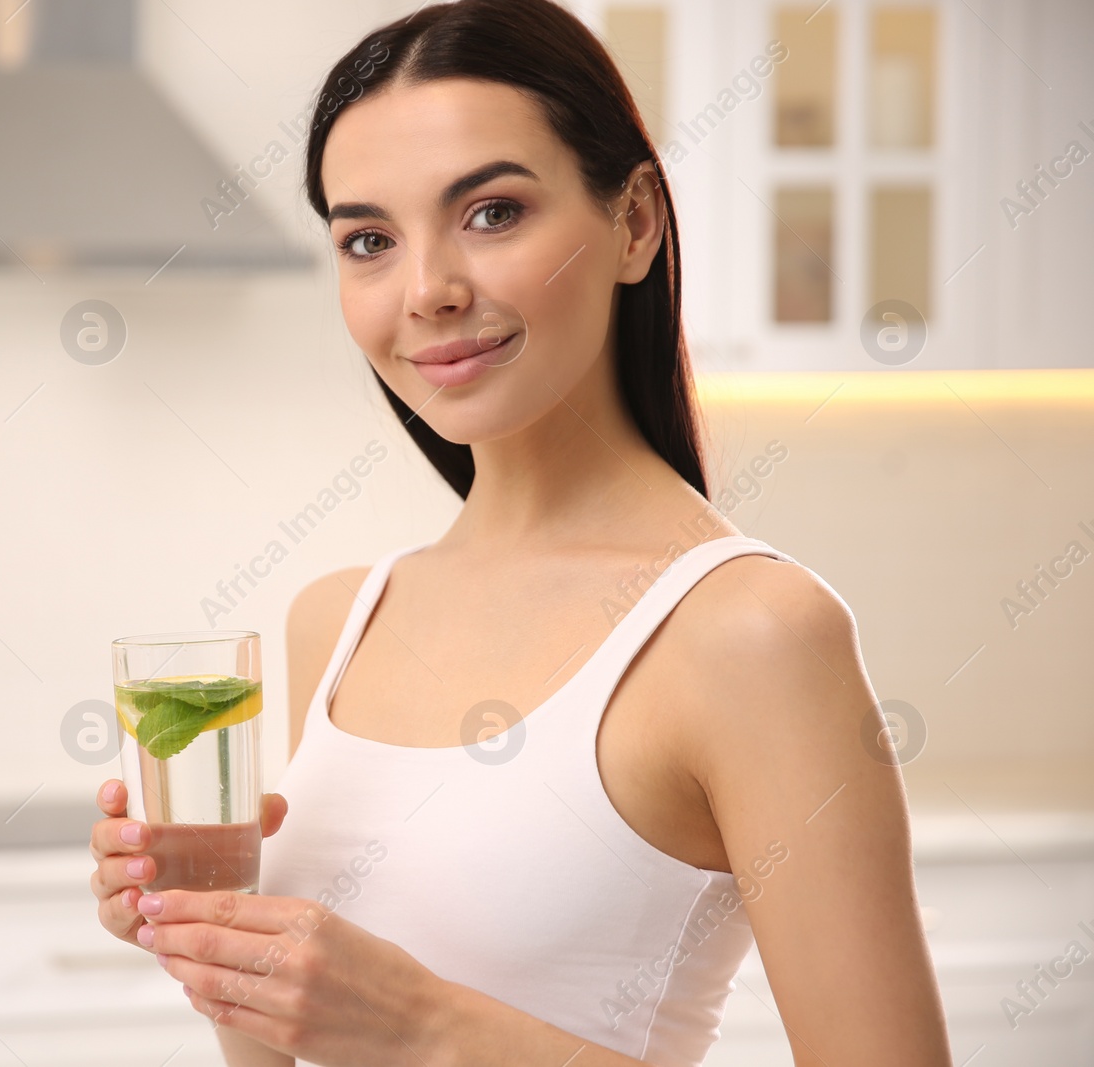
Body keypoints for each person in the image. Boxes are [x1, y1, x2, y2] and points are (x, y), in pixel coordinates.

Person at [90, 1, 952, 1064]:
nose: (428, 292)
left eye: (491, 213)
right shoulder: (338, 619)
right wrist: (210, 940)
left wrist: (421, 1023)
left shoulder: (751, 633)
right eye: (369, 240)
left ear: (634, 222)